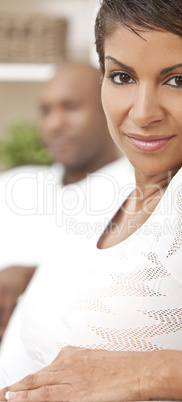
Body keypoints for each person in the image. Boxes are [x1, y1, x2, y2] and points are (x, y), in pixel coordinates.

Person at [0, 0, 182, 401]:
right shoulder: (125, 193)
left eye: (178, 80)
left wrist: (146, 372)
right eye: (122, 76)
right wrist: (31, 277)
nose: (142, 113)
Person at [0, 62, 133, 337]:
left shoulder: (138, 193)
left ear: (109, 110)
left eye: (70, 106)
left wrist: (29, 277)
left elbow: (124, 290)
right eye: (46, 110)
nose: (54, 124)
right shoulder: (16, 183)